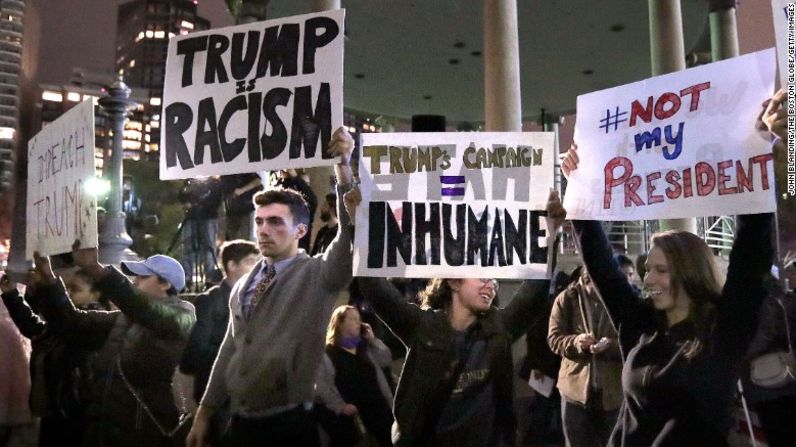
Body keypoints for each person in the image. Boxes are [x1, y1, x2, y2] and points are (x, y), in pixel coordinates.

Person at [558, 140, 774, 445]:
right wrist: (579, 190)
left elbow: (752, 253)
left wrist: (754, 158)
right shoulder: (639, 323)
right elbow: (601, 264)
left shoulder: (724, 327)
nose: (649, 279)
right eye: (648, 269)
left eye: (661, 270)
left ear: (689, 271)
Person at [186, 127, 358, 447]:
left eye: (276, 222)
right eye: (260, 221)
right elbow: (230, 349)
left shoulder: (318, 275)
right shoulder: (243, 286)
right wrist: (205, 413)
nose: (264, 230)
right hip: (240, 423)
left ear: (300, 230)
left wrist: (345, 167)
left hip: (289, 424)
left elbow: (354, 230)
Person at [356, 190, 565, 447]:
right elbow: (374, 287)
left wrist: (551, 235)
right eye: (482, 277)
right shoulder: (422, 327)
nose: (491, 285)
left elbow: (535, 293)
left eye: (494, 280)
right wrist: (361, 222)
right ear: (454, 281)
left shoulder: (500, 328)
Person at [31, 246, 196, 447]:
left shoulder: (183, 317)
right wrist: (49, 282)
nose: (135, 281)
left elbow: (146, 310)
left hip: (143, 432)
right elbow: (74, 325)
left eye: (143, 277)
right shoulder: (124, 318)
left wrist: (97, 271)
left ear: (166, 284)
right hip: (103, 428)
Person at [1, 269, 110, 447]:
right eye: (67, 288)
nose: (69, 293)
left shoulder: (94, 328)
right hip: (56, 407)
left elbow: (66, 327)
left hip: (75, 411)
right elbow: (38, 330)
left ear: (96, 295)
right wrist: (12, 295)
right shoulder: (66, 322)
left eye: (75, 289)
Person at [179, 240, 259, 443]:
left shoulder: (255, 300)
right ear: (232, 266)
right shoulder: (211, 301)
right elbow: (193, 354)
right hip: (219, 399)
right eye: (250, 262)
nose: (257, 268)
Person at [547, 267, 623, 447]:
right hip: (575, 391)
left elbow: (634, 340)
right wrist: (577, 342)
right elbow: (553, 339)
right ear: (584, 282)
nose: (599, 296)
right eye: (594, 291)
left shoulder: (619, 300)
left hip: (612, 391)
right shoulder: (566, 299)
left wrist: (611, 345)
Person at [314, 305, 394, 447]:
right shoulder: (329, 353)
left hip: (379, 408)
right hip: (353, 417)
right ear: (339, 323)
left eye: (358, 319)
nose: (358, 322)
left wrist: (373, 340)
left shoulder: (365, 346)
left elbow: (386, 359)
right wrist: (340, 406)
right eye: (352, 319)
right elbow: (322, 385)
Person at [743, 262, 796, 447]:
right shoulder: (783, 289)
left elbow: (767, 332)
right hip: (784, 372)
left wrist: (741, 356)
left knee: (778, 431)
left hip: (768, 377)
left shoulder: (766, 290)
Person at [179, 176, 224, 288]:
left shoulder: (214, 183)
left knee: (209, 247)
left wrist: (202, 204)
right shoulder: (189, 181)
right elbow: (181, 196)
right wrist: (188, 201)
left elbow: (216, 199)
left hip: (209, 217)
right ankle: (186, 278)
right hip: (191, 217)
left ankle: (209, 279)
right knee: (188, 246)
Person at [220, 173, 262, 241]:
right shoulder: (224, 173)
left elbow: (257, 181)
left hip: (246, 208)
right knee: (231, 237)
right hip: (230, 210)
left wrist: (242, 190)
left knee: (246, 237)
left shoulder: (243, 169)